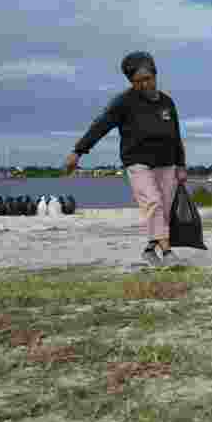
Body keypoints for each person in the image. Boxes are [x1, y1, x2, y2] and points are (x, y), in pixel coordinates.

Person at [65, 51, 187, 267]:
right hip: (138, 162)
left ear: (155, 75)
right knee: (153, 202)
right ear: (131, 82)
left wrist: (181, 165)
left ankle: (150, 250)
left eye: (148, 79)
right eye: (138, 81)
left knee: (164, 208)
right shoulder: (124, 102)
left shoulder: (167, 102)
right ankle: (168, 254)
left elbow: (176, 135)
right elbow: (100, 125)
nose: (144, 84)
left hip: (167, 163)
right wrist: (78, 151)